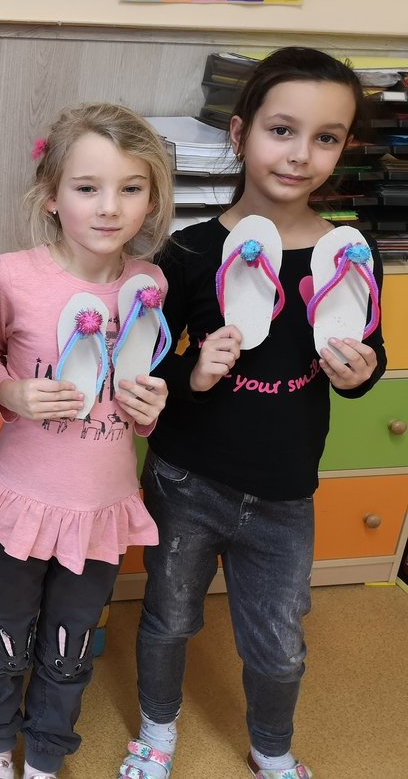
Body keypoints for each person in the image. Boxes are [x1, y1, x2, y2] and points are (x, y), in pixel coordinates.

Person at [119, 47, 387, 779]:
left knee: (280, 643)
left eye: (326, 138)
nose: (300, 155)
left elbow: (369, 353)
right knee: (169, 619)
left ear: (343, 148)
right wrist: (192, 371)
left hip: (284, 491)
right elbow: (145, 369)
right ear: (240, 135)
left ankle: (271, 747)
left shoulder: (349, 254)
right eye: (282, 130)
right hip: (186, 479)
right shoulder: (188, 252)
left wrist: (361, 374)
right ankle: (156, 732)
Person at [0, 104, 174, 779]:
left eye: (130, 188)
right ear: (51, 195)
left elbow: (140, 391)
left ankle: (48, 754)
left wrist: (152, 410)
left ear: (152, 199)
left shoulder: (151, 284)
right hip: (21, 501)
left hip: (99, 508)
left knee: (71, 642)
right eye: (87, 187)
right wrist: (10, 394)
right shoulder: (13, 276)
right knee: (4, 635)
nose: (109, 207)